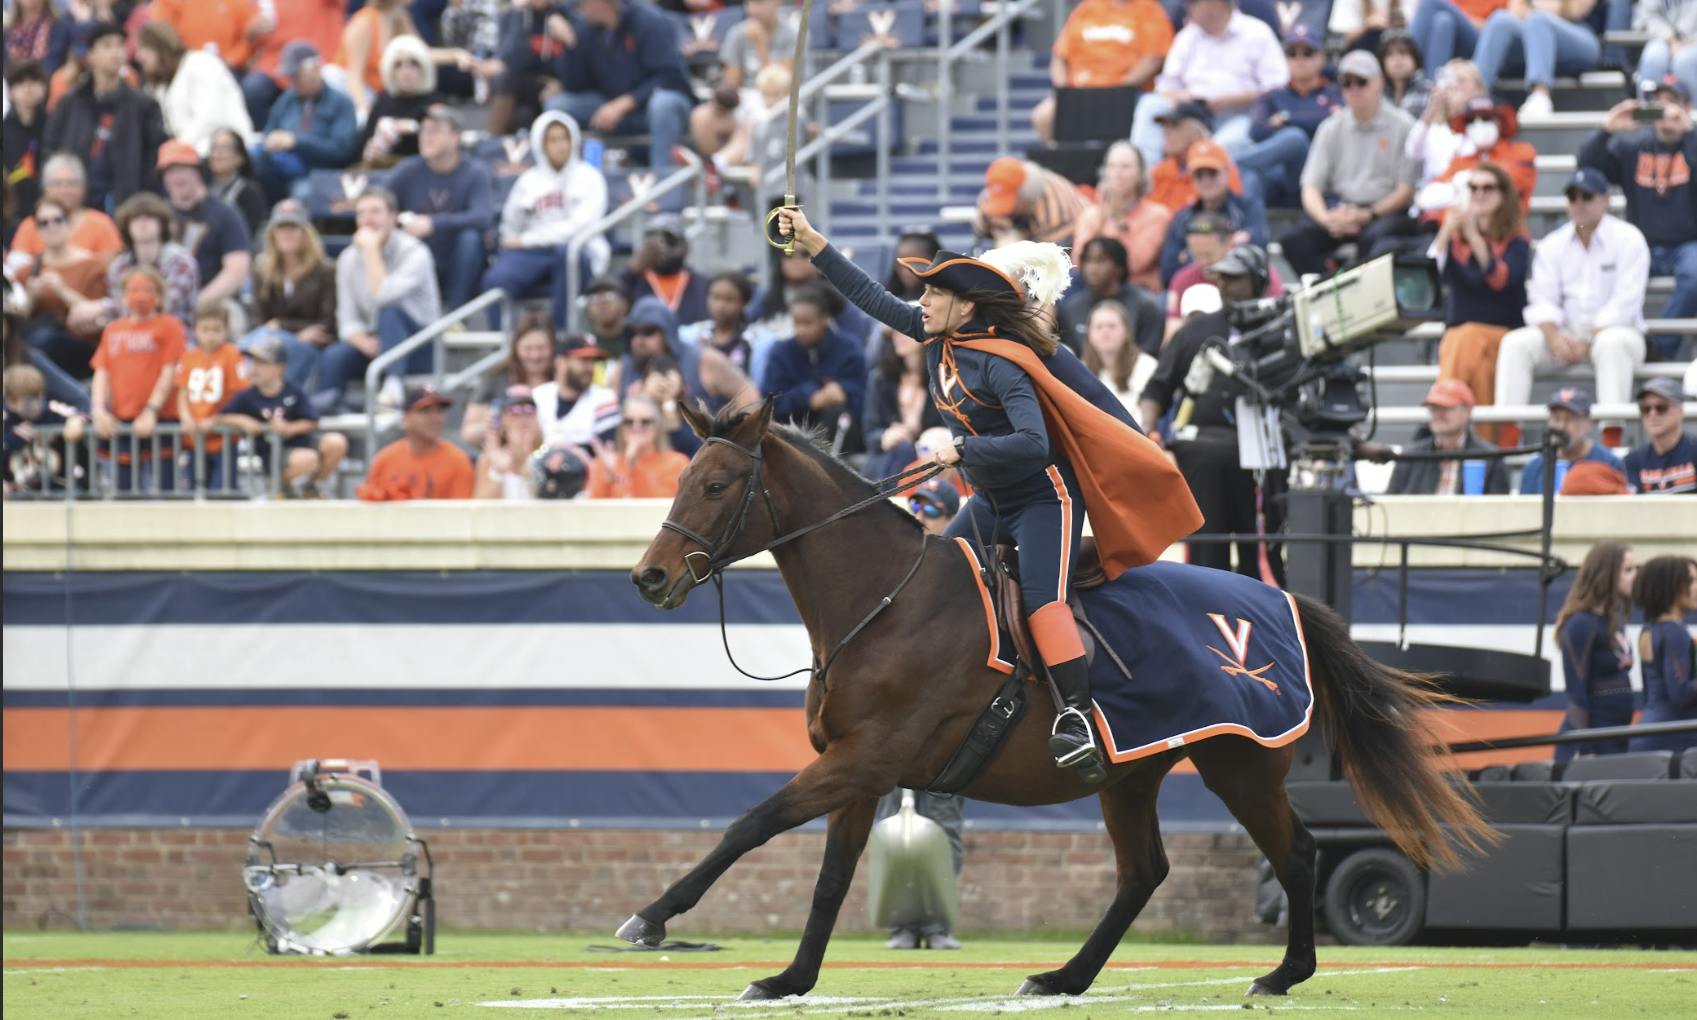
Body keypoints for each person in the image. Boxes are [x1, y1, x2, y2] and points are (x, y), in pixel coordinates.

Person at [777, 205, 1202, 776]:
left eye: (932, 293)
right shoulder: (936, 339)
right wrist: (811, 242)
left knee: (1044, 602)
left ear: (965, 305)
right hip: (992, 501)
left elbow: (1031, 443)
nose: (920, 300)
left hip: (1044, 499)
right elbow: (873, 298)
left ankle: (1077, 719)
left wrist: (962, 451)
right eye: (922, 293)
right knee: (937, 578)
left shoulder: (1002, 364)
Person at [1141, 244, 1285, 585]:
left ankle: (1266, 615)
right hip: (1201, 452)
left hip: (1263, 453)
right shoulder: (1196, 330)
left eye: (1234, 277)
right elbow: (1155, 390)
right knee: (1206, 553)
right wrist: (1150, 437)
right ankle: (1205, 613)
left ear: (1258, 280)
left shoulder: (1282, 331)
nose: (1224, 284)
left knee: (1262, 554)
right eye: (1221, 276)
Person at [1495, 168, 1648, 432]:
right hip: (1565, 335)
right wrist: (1554, 336)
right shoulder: (1552, 244)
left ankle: (1611, 442)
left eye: (1586, 196)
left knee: (1613, 344)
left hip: (1617, 332)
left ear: (1605, 200)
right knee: (1514, 344)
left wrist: (1587, 337)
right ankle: (1507, 442)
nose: (1579, 204)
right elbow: (1541, 299)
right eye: (1572, 197)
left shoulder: (1629, 239)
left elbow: (1626, 303)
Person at [1578, 81, 1697, 360]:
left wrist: (1689, 132)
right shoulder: (1632, 147)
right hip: (1639, 244)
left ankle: (1658, 349)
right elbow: (1588, 170)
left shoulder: (1693, 143)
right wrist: (1606, 130)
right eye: (1657, 104)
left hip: (1687, 245)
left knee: (1695, 276)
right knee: (1604, 271)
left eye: (1672, 102)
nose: (1665, 111)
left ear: (1686, 107)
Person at [1278, 50, 1420, 278]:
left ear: (1379, 83)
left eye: (1361, 82)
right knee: (1294, 241)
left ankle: (1360, 298)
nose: (1354, 89)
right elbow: (1310, 187)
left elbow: (1406, 190)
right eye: (1346, 83)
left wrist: (1369, 214)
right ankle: (1325, 291)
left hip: (1385, 212)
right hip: (1340, 209)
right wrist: (1327, 219)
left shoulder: (1404, 126)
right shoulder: (1331, 127)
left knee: (1375, 240)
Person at [544, 0, 694, 210]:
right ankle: (565, 193)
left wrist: (625, 103)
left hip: (653, 105)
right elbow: (575, 84)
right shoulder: (586, 29)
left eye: (582, 3)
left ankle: (663, 196)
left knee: (664, 104)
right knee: (558, 106)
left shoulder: (648, 20)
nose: (578, 8)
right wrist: (570, 45)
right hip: (610, 103)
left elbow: (670, 76)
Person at [1431, 161, 1533, 441]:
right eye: (1473, 188)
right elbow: (1430, 275)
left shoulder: (1517, 241)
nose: (1479, 194)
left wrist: (1474, 236)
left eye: (1488, 188)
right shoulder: (1452, 239)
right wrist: (1445, 232)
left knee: (1465, 340)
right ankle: (1484, 445)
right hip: (1464, 340)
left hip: (1501, 334)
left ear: (1504, 195)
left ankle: (1444, 417)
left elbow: (1500, 279)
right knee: (1466, 346)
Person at [481, 110, 608, 326]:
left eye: (564, 138)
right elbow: (511, 224)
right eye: (553, 140)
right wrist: (514, 241)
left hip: (577, 251)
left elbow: (580, 226)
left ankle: (559, 334)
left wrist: (529, 240)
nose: (560, 146)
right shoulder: (528, 181)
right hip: (533, 254)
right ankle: (501, 344)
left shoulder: (590, 177)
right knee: (495, 280)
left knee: (566, 253)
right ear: (541, 145)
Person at [321, 188, 442, 412]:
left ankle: (393, 388)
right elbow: (346, 319)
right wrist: (363, 343)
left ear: (393, 217)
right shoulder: (348, 258)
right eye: (361, 213)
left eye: (375, 212)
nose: (367, 220)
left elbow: (382, 295)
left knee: (390, 313)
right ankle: (330, 411)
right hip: (374, 344)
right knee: (334, 355)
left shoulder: (415, 252)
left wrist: (371, 250)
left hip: (417, 345)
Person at [1129, 0, 1288, 167]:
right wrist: (1183, 97)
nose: (1188, 7)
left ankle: (1201, 182)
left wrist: (1228, 101)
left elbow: (1277, 89)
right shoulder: (1187, 36)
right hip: (1191, 113)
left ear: (1217, 3)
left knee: (1218, 148)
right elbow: (1164, 88)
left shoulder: (1257, 33)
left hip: (1240, 115)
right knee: (1150, 104)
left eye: (1194, 2)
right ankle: (1145, 179)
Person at [43, 21, 167, 211]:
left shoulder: (144, 105)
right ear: (91, 55)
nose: (116, 52)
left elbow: (154, 157)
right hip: (77, 204)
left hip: (125, 206)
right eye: (107, 46)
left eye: (120, 45)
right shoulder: (70, 102)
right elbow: (50, 149)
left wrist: (141, 199)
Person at [387, 104, 495, 314]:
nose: (426, 137)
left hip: (459, 258)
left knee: (470, 238)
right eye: (423, 131)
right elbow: (380, 203)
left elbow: (483, 217)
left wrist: (432, 223)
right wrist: (400, 220)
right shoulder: (407, 170)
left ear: (455, 138)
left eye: (434, 131)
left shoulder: (475, 172)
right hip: (417, 256)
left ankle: (456, 317)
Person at [89, 268, 186, 492]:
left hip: (161, 418)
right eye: (133, 290)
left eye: (148, 290)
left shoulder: (169, 325)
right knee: (124, 491)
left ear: (159, 296)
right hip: (122, 419)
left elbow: (169, 371)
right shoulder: (113, 329)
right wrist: (98, 409)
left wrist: (151, 410)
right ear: (123, 296)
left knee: (166, 489)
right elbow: (102, 372)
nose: (140, 296)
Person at [218, 334, 348, 497]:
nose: (254, 368)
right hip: (273, 453)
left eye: (262, 363)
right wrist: (243, 420)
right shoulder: (246, 396)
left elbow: (312, 421)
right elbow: (220, 417)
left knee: (336, 442)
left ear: (280, 367)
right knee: (307, 459)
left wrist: (288, 428)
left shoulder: (293, 391)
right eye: (253, 362)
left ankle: (312, 486)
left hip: (301, 443)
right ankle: (279, 487)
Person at [1231, 24, 1344, 210]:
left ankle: (1228, 165)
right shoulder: (1272, 95)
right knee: (1250, 175)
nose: (1300, 60)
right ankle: (1251, 232)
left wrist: (1287, 119)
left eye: (1308, 53)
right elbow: (1256, 132)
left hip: (1321, 173)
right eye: (1292, 54)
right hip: (1280, 174)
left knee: (1295, 138)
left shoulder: (1336, 93)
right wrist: (1314, 119)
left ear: (1322, 57)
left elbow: (1340, 126)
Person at [1030, 0, 1173, 144]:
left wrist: (1119, 89)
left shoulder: (1150, 10)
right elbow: (1059, 56)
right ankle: (1060, 162)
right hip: (1078, 92)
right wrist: (1064, 93)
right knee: (1043, 115)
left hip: (1125, 93)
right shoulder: (1087, 8)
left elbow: (1154, 58)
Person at [1552, 541, 1637, 762]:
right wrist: (1585, 746)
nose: (1635, 575)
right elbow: (1576, 691)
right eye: (1628, 570)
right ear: (1606, 574)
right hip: (1592, 740)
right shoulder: (1581, 623)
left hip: (1618, 734)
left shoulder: (1614, 620)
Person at [247, 199, 338, 396]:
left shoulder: (326, 270)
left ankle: (279, 400)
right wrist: (292, 330)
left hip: (310, 346)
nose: (287, 233)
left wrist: (281, 326)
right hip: (271, 339)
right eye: (281, 228)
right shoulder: (262, 268)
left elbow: (327, 323)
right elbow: (259, 319)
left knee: (282, 347)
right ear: (272, 234)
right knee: (247, 346)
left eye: (293, 227)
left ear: (306, 233)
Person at [20, 195, 110, 393]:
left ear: (69, 224)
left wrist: (62, 291)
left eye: (57, 220)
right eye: (44, 223)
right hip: (39, 344)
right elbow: (15, 322)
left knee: (43, 340)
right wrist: (31, 296)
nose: (51, 227)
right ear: (37, 230)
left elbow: (101, 315)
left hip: (82, 346)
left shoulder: (92, 266)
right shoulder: (27, 270)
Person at [252, 42, 361, 204]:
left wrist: (296, 142)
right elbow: (269, 132)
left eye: (297, 75)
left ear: (316, 69)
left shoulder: (341, 103)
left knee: (302, 193)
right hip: (282, 168)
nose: (292, 81)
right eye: (290, 76)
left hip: (320, 173)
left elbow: (341, 150)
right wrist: (272, 142)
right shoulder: (287, 99)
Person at [760, 286, 868, 444]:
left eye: (808, 323)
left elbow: (864, 396)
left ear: (825, 318)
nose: (801, 330)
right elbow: (771, 401)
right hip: (793, 432)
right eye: (797, 323)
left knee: (835, 413)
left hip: (840, 432)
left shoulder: (849, 349)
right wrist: (809, 397)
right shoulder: (781, 352)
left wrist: (844, 392)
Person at [157, 141, 252, 313]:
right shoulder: (156, 215)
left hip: (214, 303)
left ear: (198, 173)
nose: (176, 177)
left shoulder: (225, 214)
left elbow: (237, 270)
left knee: (231, 316)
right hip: (161, 305)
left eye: (182, 170)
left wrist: (196, 303)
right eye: (169, 172)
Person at [135, 19, 253, 156]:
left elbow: (209, 117)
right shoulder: (160, 87)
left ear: (159, 48)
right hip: (190, 153)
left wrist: (179, 148)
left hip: (226, 149)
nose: (139, 56)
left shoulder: (200, 64)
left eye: (143, 49)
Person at [1160, 139, 1270, 284]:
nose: (1206, 180)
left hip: (1239, 284)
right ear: (1191, 178)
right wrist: (1228, 248)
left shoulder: (1248, 207)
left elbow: (1258, 250)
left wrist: (1191, 254)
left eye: (1212, 173)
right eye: (1199, 174)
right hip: (1194, 287)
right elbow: (1168, 270)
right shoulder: (1182, 217)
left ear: (1226, 172)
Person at [1471, 0, 1605, 117]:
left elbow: (1578, 10)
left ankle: (1540, 95)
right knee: (1500, 19)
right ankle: (1472, 99)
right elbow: (1515, 10)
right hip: (1535, 34)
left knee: (1539, 20)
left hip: (1580, 35)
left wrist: (1539, 6)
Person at [1072, 142, 1172, 291]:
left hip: (1138, 289)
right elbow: (1080, 260)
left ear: (1140, 173)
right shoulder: (1091, 215)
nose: (1117, 172)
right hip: (1093, 290)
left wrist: (1115, 219)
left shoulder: (1158, 215)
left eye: (1125, 166)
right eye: (1112, 166)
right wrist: (1105, 216)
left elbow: (1134, 263)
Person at [876, 785, 966, 951]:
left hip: (945, 763)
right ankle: (902, 925)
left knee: (944, 830)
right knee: (895, 829)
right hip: (893, 761)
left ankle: (938, 926)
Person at [1387, 379, 1512, 494]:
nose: (1439, 414)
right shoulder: (1409, 457)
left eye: (1447, 408)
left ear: (1467, 411)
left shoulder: (1492, 459)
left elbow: (1498, 513)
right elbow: (1390, 506)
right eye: (1434, 408)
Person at [1166, 211, 1286, 329]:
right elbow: (1173, 329)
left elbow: (1278, 319)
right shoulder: (1183, 279)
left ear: (1229, 242)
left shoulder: (1256, 272)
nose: (1203, 262)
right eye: (1197, 256)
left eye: (1209, 255)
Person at [1627, 554, 1697, 754]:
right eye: (1691, 581)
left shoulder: (1649, 629)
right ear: (1670, 587)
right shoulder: (1674, 631)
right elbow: (1682, 695)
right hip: (1671, 741)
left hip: (1651, 735)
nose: (1696, 587)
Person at [175, 297, 248, 488]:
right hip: (194, 438)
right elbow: (182, 391)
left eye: (217, 330)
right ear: (196, 330)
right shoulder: (189, 357)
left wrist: (217, 420)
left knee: (221, 490)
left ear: (226, 330)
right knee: (193, 490)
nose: (211, 335)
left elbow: (239, 395)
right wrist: (185, 417)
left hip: (222, 438)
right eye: (205, 329)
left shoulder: (231, 354)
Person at [239, 0, 346, 131]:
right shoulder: (263, 3)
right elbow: (253, 40)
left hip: (315, 62)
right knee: (253, 89)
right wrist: (253, 32)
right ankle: (268, 141)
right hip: (275, 64)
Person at [100, 192, 199, 331]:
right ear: (126, 226)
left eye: (149, 218)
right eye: (135, 219)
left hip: (176, 337)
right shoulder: (119, 267)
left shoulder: (181, 261)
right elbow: (120, 314)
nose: (142, 223)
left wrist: (101, 307)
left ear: (162, 224)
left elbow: (164, 305)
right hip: (131, 337)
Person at [360, 384, 473, 500]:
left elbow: (461, 514)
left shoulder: (457, 460)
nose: (435, 418)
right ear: (405, 418)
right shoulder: (384, 459)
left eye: (439, 411)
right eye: (425, 411)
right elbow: (369, 510)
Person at [862, 324, 944, 479]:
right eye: (894, 332)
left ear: (926, 337)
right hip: (889, 458)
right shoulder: (881, 378)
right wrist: (886, 436)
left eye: (905, 331)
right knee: (901, 451)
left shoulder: (942, 379)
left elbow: (950, 428)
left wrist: (929, 438)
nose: (898, 336)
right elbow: (870, 433)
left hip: (932, 459)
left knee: (908, 452)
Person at [1058, 237, 1163, 357]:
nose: (1092, 268)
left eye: (1101, 261)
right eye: (1087, 261)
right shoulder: (1072, 308)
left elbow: (1149, 357)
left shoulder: (1145, 306)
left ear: (1119, 267)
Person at [5, 153, 122, 260]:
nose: (64, 190)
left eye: (72, 183)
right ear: (45, 188)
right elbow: (19, 268)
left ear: (83, 187)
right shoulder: (31, 225)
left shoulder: (101, 224)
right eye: (57, 183)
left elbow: (109, 269)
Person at [464, 316, 557, 447]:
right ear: (516, 348)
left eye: (541, 348)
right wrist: (498, 424)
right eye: (528, 349)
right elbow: (469, 432)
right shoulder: (496, 377)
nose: (535, 356)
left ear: (553, 348)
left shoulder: (563, 379)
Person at [1145, 100, 1249, 214]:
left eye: (1175, 125)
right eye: (1165, 126)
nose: (1166, 132)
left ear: (1197, 130)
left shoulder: (1219, 167)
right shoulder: (1160, 171)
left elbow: (1231, 216)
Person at [1518, 386, 1627, 493]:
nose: (1561, 426)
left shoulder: (1609, 463)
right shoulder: (1535, 467)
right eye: (1556, 419)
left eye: (1570, 419)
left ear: (1588, 423)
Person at [485, 0, 570, 136]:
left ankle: (489, 142)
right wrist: (518, 15)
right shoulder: (512, 16)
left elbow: (579, 57)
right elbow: (511, 59)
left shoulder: (565, 14)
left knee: (505, 81)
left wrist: (563, 83)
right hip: (521, 84)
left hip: (553, 83)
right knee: (522, 115)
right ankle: (493, 143)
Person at [3, 362, 85, 496]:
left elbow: (79, 414)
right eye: (28, 401)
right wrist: (11, 440)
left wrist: (75, 422)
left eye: (39, 397)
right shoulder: (5, 418)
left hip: (54, 485)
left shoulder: (49, 409)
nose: (36, 405)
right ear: (12, 401)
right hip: (15, 490)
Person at [585, 393, 688, 498]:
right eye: (629, 422)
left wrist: (633, 468)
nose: (636, 427)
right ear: (621, 427)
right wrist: (606, 476)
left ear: (657, 426)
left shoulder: (676, 463)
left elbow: (660, 507)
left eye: (645, 422)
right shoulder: (605, 463)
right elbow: (592, 510)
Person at [359, 34, 439, 168]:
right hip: (382, 170)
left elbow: (442, 143)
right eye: (398, 65)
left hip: (421, 169)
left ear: (424, 68)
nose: (405, 71)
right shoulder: (383, 100)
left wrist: (407, 127)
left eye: (413, 64)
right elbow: (365, 140)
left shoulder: (435, 102)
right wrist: (371, 149)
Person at [332, 0, 420, 120]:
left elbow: (421, 53)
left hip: (379, 95)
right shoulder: (364, 22)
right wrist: (368, 114)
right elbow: (353, 78)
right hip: (349, 93)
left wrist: (453, 55)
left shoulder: (399, 18)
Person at [974, 157, 1088, 248]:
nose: (1005, 212)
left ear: (1027, 195)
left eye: (1011, 202)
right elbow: (981, 231)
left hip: (1073, 237)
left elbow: (1052, 258)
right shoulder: (987, 202)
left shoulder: (1055, 205)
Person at [535, 333, 622, 448]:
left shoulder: (605, 398)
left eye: (593, 361)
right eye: (584, 360)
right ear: (561, 362)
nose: (590, 368)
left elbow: (607, 450)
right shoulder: (538, 396)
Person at [624, 216, 709, 326]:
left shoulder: (703, 284)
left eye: (669, 241)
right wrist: (633, 269)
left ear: (685, 246)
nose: (662, 249)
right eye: (653, 243)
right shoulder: (632, 281)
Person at [1083, 300, 1159, 416]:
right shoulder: (1081, 368)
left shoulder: (1146, 366)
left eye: (1112, 326)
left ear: (1127, 331)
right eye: (1098, 327)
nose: (1105, 332)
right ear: (1089, 333)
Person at [1624, 377, 1696, 494]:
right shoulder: (1633, 460)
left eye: (1661, 408)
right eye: (1645, 409)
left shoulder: (1694, 451)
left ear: (1680, 411)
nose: (1653, 414)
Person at [149, 0, 263, 73]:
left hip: (228, 69)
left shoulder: (236, 3)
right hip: (184, 68)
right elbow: (161, 34)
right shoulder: (168, 4)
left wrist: (232, 60)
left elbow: (248, 37)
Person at [474, 384, 545, 499]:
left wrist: (524, 470)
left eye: (529, 411)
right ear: (503, 419)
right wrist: (498, 472)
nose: (522, 419)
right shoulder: (490, 458)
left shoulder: (549, 453)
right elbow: (480, 508)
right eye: (514, 412)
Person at [679, 271, 757, 376]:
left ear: (743, 303)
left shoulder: (753, 340)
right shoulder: (694, 335)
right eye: (716, 297)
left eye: (729, 300)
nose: (721, 306)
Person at [3, 60, 50, 219]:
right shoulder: (5, 129)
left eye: (34, 81)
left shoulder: (54, 125)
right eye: (21, 83)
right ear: (10, 91)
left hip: (50, 208)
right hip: (12, 210)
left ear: (44, 87)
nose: (28, 88)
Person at [206, 128, 268, 240]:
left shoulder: (249, 192)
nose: (217, 154)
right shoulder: (203, 189)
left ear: (240, 157)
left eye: (224, 148)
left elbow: (252, 233)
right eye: (214, 147)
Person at [1409, 0, 1508, 70]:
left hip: (1482, 42)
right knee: (1443, 21)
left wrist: (1464, 21)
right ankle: (1432, 86)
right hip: (1454, 38)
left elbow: (1503, 26)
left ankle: (1409, 57)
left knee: (1429, 1)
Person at [1636, 0, 1697, 102]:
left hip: (1693, 41)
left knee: (1684, 62)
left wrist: (1684, 45)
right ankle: (1648, 112)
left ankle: (1691, 112)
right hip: (1663, 39)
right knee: (1653, 57)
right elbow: (1648, 16)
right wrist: (1671, 41)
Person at [1381, 29, 1435, 119]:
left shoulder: (1430, 91)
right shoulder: (1377, 94)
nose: (1397, 59)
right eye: (1390, 54)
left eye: (1403, 53)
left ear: (1415, 58)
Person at [4, 0, 69, 74]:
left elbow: (52, 66)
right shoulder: (6, 32)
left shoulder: (60, 28)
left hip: (45, 82)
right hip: (10, 83)